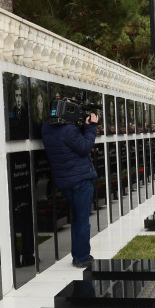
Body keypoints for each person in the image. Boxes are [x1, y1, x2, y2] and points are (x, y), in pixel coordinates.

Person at [42, 106, 99, 268]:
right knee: (82, 220)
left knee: (76, 218)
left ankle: (78, 254)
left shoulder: (47, 128)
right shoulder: (69, 130)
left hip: (65, 181)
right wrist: (91, 127)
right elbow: (85, 147)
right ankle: (82, 257)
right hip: (80, 179)